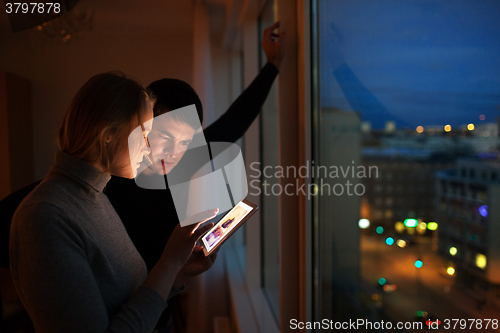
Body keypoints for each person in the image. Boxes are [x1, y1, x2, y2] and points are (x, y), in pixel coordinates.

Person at [1, 21, 285, 331]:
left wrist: (272, 65)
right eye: (154, 133)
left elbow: (236, 120)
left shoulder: (173, 165)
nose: (170, 150)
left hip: (157, 312)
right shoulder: (78, 195)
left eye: (187, 141)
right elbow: (34, 214)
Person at [9, 72, 218, 333]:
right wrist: (168, 263)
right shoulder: (45, 217)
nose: (149, 146)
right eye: (145, 133)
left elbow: (125, 299)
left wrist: (178, 273)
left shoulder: (96, 196)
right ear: (108, 134)